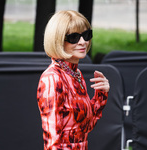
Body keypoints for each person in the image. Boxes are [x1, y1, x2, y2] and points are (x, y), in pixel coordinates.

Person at [37, 10, 110, 150]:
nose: (83, 42)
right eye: (74, 37)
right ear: (57, 40)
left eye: (86, 35)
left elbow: (85, 127)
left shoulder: (75, 73)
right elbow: (52, 140)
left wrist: (101, 94)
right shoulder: (53, 79)